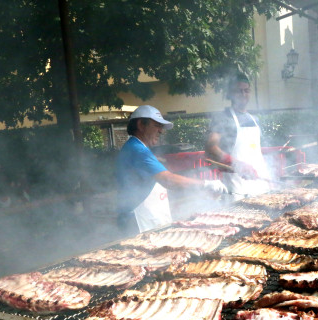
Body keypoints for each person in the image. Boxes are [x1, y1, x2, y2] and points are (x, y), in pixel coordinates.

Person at [116, 105, 228, 234]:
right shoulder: (137, 150)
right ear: (141, 125)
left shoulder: (137, 148)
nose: (161, 131)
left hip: (147, 217)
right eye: (157, 125)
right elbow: (168, 180)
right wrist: (206, 184)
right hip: (137, 220)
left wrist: (198, 193)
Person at [205, 73, 271, 196]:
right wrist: (237, 164)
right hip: (238, 189)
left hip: (261, 186)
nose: (243, 94)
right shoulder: (223, 118)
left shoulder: (254, 119)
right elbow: (211, 147)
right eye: (238, 91)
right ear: (230, 94)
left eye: (246, 90)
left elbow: (254, 151)